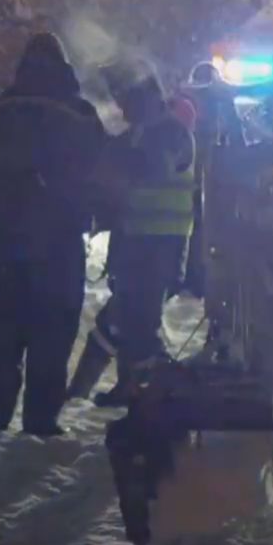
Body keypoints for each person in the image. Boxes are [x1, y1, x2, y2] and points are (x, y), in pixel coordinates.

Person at [0, 33, 107, 436]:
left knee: (2, 332)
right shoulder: (80, 113)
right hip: (59, 246)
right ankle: (41, 419)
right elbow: (102, 175)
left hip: (4, 245)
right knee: (53, 334)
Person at [91, 70, 196, 407]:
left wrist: (115, 163)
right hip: (137, 236)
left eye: (127, 102)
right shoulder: (140, 133)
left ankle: (151, 391)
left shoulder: (170, 133)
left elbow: (150, 168)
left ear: (146, 98)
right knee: (129, 314)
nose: (123, 111)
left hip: (160, 242)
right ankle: (131, 385)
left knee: (141, 319)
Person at [177, 61, 235, 298]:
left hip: (197, 180)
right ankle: (200, 278)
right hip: (206, 176)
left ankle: (195, 277)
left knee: (198, 230)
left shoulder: (186, 101)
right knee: (206, 228)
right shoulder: (219, 101)